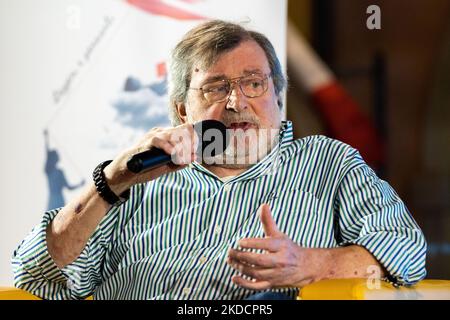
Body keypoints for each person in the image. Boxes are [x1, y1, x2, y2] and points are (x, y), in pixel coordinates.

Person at [12, 20, 426, 300]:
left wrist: (305, 264)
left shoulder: (328, 163)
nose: (236, 102)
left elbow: (405, 249)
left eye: (253, 84)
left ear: (278, 98)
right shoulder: (137, 178)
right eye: (215, 88)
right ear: (181, 112)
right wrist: (110, 183)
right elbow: (34, 278)